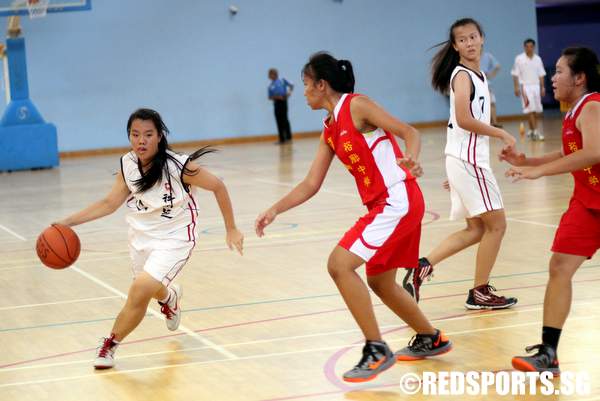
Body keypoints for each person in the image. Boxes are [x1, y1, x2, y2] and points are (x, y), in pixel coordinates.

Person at [255, 52, 452, 383]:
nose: (303, 92)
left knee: (339, 264)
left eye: (305, 84)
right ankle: (430, 337)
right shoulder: (330, 127)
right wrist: (275, 209)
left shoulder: (357, 106)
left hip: (396, 201)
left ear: (322, 84)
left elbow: (409, 132)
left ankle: (376, 348)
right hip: (389, 205)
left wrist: (411, 160)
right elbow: (310, 184)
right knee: (379, 280)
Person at [55, 108, 244, 369]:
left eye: (148, 134)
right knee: (148, 287)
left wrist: (231, 228)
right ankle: (169, 298)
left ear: (159, 136)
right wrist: (67, 223)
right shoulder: (128, 164)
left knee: (139, 290)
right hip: (141, 236)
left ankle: (111, 344)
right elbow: (109, 203)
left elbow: (218, 186)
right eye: (135, 135)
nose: (141, 140)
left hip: (176, 236)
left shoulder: (180, 166)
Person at [402, 18, 518, 310]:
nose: (469, 43)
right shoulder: (462, 75)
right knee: (497, 225)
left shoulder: (478, 75)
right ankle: (479, 291)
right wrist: (500, 131)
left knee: (477, 229)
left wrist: (457, 172)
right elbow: (464, 119)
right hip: (468, 162)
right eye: (462, 39)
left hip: (464, 162)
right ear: (455, 46)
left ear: (482, 39)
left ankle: (420, 267)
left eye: (473, 37)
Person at [503, 47, 600, 374]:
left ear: (580, 77)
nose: (553, 77)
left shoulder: (592, 105)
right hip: (588, 203)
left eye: (559, 71)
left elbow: (593, 152)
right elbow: (569, 150)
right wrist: (529, 161)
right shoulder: (573, 111)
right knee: (559, 266)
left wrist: (540, 173)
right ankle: (548, 354)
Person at [511, 39, 547, 140]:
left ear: (534, 47)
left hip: (536, 86)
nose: (529, 48)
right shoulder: (519, 59)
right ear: (524, 47)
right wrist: (516, 87)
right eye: (527, 46)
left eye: (531, 46)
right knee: (530, 109)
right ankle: (536, 131)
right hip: (525, 87)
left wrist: (542, 87)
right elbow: (515, 74)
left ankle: (531, 130)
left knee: (535, 110)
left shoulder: (538, 59)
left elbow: (541, 74)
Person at [268, 68, 294, 143]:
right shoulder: (270, 86)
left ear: (274, 74)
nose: (269, 76)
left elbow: (291, 85)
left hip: (283, 102)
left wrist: (289, 93)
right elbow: (269, 97)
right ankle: (282, 139)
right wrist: (275, 97)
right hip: (276, 103)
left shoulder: (282, 80)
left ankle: (288, 138)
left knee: (285, 120)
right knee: (278, 120)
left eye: (270, 74)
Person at [480, 51, 501, 127]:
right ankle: (485, 123)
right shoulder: (472, 56)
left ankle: (494, 122)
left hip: (486, 83)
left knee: (492, 102)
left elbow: (497, 66)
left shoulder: (487, 56)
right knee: (480, 104)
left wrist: (490, 75)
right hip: (475, 83)